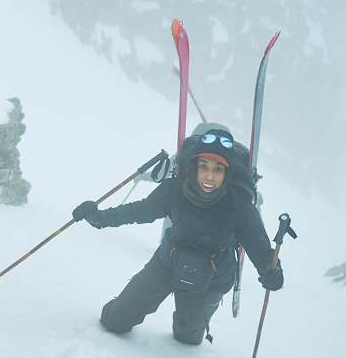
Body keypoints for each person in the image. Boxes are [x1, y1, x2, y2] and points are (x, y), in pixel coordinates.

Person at [72, 128, 283, 345]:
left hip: (211, 279)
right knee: (115, 321)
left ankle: (187, 319)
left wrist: (272, 272)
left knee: (187, 338)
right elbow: (139, 211)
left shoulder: (240, 206)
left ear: (227, 173)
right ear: (194, 166)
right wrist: (99, 217)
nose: (209, 176)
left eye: (218, 169)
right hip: (167, 264)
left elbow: (262, 253)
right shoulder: (175, 189)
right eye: (204, 166)